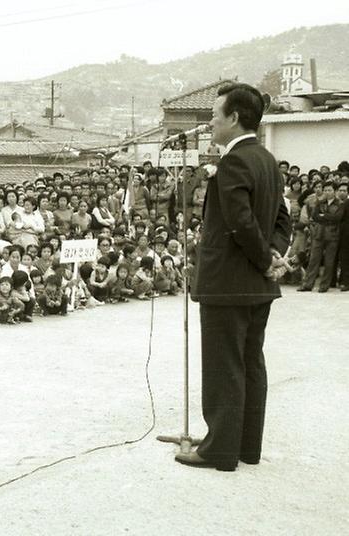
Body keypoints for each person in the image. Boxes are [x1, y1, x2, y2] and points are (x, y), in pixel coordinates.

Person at [183, 83, 291, 472]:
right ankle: (245, 445)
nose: (210, 121)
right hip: (258, 287)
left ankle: (219, 451)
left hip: (228, 282)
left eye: (215, 114)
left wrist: (265, 259)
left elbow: (239, 224)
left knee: (223, 366)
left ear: (234, 118)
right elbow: (282, 219)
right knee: (250, 363)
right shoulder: (267, 160)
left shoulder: (232, 163)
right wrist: (275, 255)